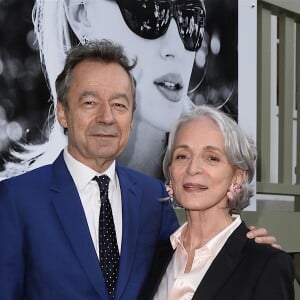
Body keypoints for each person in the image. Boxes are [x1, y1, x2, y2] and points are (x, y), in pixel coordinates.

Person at [0, 40, 280, 300]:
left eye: (119, 105)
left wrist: (248, 251)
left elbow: (189, 262)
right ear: (63, 111)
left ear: (131, 118)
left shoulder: (151, 197)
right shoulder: (16, 199)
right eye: (90, 103)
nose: (106, 117)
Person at [0, 0, 208, 179]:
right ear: (81, 15)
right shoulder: (14, 209)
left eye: (189, 18)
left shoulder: (230, 199)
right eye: (147, 10)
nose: (175, 47)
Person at [140, 105, 295, 300]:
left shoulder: (266, 264)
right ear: (170, 172)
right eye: (182, 156)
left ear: (237, 177)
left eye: (211, 158)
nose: (193, 168)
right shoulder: (156, 256)